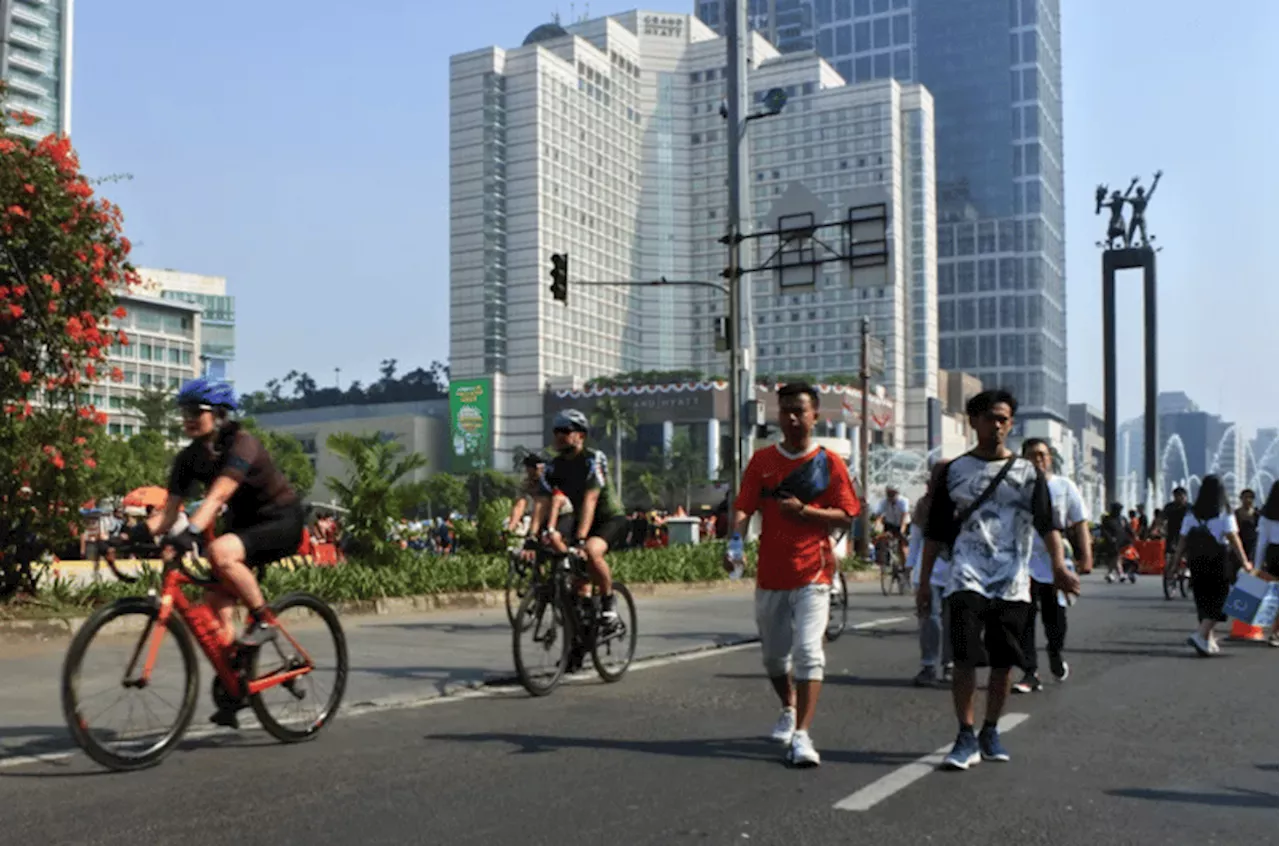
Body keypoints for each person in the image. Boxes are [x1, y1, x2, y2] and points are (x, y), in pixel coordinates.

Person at [916, 389, 1078, 771]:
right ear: (973, 422)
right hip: (964, 577)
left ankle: (990, 729)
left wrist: (1058, 567)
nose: (999, 425)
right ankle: (965, 733)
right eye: (990, 417)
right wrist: (924, 584)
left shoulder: (1027, 473)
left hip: (1013, 581)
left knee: (1004, 662)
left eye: (1005, 419)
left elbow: (1048, 525)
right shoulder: (954, 471)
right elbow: (935, 533)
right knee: (965, 659)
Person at [147, 378, 305, 728]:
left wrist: (190, 535)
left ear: (218, 414)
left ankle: (264, 619)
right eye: (183, 412)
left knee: (218, 552)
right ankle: (239, 684)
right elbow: (168, 512)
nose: (187, 418)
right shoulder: (189, 458)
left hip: (280, 520)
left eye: (195, 412)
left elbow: (217, 497)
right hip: (242, 528)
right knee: (216, 609)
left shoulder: (243, 444)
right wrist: (128, 537)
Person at [725, 382, 860, 768]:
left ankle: (801, 735)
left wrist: (807, 513)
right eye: (785, 411)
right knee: (773, 659)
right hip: (771, 573)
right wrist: (734, 543)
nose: (792, 418)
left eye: (800, 410)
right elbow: (743, 507)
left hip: (813, 571)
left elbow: (848, 515)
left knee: (808, 652)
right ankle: (788, 705)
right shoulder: (762, 461)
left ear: (816, 414)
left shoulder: (830, 463)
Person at [529, 409, 629, 626]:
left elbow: (590, 499)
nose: (559, 436)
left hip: (610, 519)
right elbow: (542, 501)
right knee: (578, 581)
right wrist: (531, 535)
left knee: (591, 552)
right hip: (583, 519)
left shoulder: (593, 459)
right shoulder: (553, 466)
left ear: (580, 436)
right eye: (556, 431)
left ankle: (608, 600)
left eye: (565, 431)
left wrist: (581, 538)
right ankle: (580, 636)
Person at [1012, 438, 1093, 693]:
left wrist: (1086, 556)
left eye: (1041, 455)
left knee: (1054, 618)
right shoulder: (1015, 487)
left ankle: (1055, 652)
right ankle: (1029, 671)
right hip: (1022, 561)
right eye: (1031, 456)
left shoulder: (1064, 486)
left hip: (1054, 561)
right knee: (1023, 617)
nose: (1037, 460)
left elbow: (1079, 522)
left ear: (1049, 459)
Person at [1169, 474, 1252, 656]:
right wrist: (1245, 561)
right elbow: (1233, 539)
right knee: (1223, 599)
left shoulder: (1191, 513)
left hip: (1196, 561)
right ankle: (1200, 635)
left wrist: (1175, 564)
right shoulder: (1224, 512)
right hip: (1218, 561)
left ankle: (1208, 640)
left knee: (1203, 599)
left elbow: (1182, 541)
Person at [910, 459, 952, 688]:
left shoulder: (963, 502)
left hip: (957, 573)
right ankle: (928, 665)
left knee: (952, 621)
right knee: (930, 620)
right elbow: (916, 538)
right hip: (928, 573)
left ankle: (950, 665)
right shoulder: (924, 505)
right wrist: (912, 568)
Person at [1253, 482, 1280, 647]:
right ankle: (1277, 632)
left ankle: (1275, 632)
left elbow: (1261, 543)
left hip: (1274, 554)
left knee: (1275, 594)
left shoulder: (1266, 515)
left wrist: (1256, 567)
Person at [507, 452, 547, 534]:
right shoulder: (526, 484)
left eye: (530, 467)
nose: (527, 470)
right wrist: (510, 528)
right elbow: (520, 504)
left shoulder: (548, 479)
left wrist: (540, 477)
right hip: (534, 516)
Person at [874, 484, 911, 572]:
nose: (890, 496)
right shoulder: (884, 502)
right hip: (890, 524)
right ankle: (884, 561)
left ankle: (905, 567)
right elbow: (879, 516)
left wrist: (901, 530)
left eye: (892, 493)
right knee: (883, 539)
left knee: (902, 546)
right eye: (889, 493)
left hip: (903, 523)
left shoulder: (903, 501)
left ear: (897, 493)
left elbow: (904, 516)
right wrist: (877, 527)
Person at [1162, 487, 1190, 585]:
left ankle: (1186, 569)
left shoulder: (1190, 508)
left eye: (1181, 496)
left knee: (1188, 553)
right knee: (1169, 553)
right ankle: (1170, 571)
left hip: (1187, 534)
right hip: (1172, 534)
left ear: (1185, 497)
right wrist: (1159, 528)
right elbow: (1162, 519)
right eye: (1176, 496)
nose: (1179, 498)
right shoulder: (1169, 507)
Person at [1234, 489, 1259, 580]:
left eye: (1250, 497)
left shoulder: (1257, 513)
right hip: (1240, 545)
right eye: (1245, 497)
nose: (1248, 500)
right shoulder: (1236, 513)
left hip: (1253, 546)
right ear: (1241, 499)